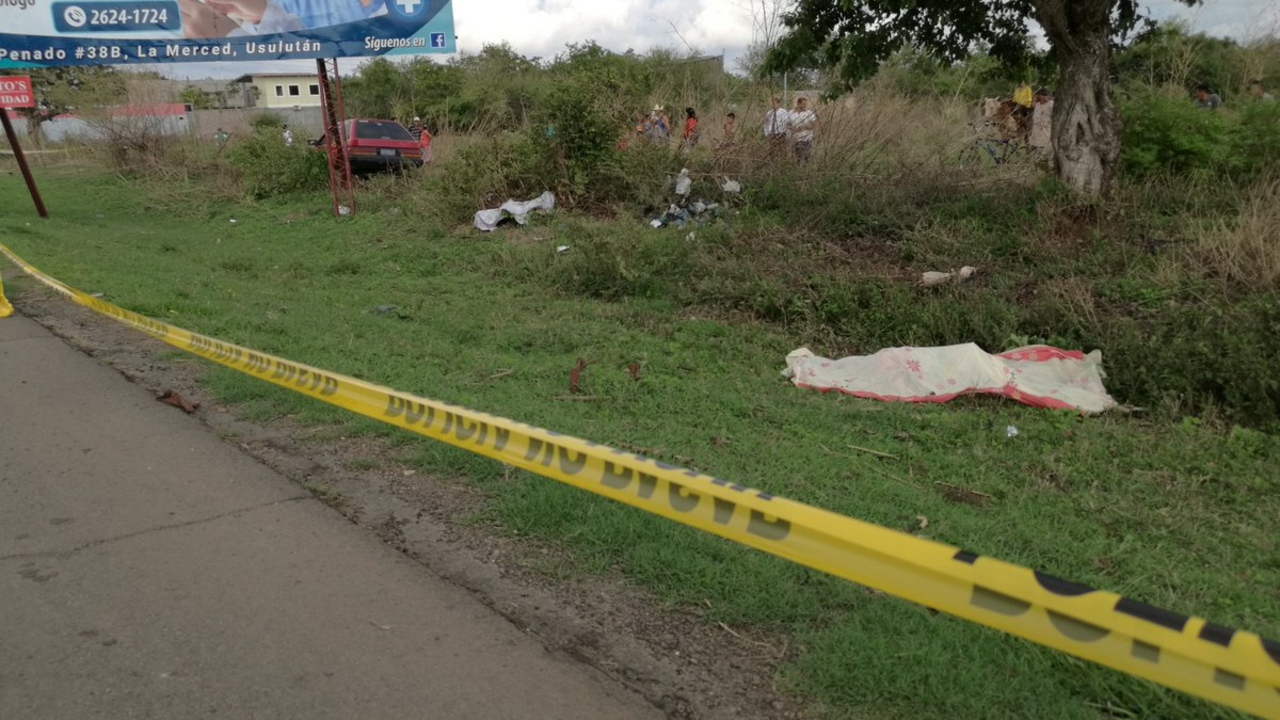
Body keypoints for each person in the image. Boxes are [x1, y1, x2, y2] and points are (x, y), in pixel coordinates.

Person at [787, 96, 817, 162]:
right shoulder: (790, 113)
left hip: (806, 139)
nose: (805, 106)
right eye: (803, 104)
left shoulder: (809, 113)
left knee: (806, 157)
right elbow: (787, 125)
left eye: (806, 104)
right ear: (798, 104)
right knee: (797, 158)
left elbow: (813, 125)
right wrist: (791, 128)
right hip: (795, 139)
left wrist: (800, 128)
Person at [1028, 87, 1053, 152]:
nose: (1045, 98)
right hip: (1036, 132)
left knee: (1044, 150)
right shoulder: (1037, 105)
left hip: (1046, 133)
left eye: (1046, 95)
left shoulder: (1051, 104)